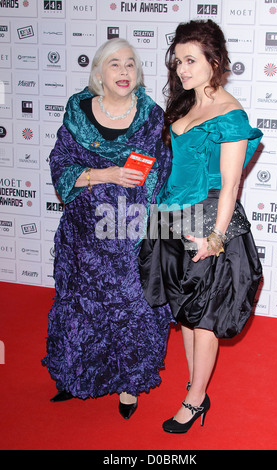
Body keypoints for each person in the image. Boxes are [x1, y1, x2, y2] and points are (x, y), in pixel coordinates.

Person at [138, 19, 263, 433]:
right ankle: (197, 386)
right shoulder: (186, 103)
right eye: (177, 62)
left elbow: (230, 187)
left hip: (208, 225)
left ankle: (194, 401)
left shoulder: (230, 114)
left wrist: (216, 238)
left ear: (215, 61)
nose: (182, 70)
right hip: (172, 220)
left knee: (204, 316)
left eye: (191, 61)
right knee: (187, 315)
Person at [41, 38, 173, 420]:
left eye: (130, 64)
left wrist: (148, 228)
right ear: (99, 72)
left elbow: (158, 174)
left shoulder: (151, 116)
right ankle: (75, 375)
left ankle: (129, 385)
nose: (124, 71)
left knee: (131, 308)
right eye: (114, 64)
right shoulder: (78, 110)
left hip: (128, 234)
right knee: (79, 305)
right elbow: (60, 162)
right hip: (82, 234)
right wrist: (108, 174)